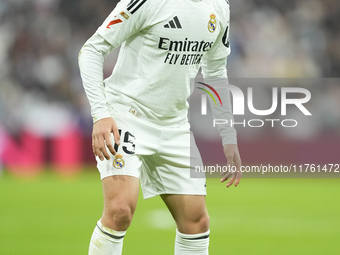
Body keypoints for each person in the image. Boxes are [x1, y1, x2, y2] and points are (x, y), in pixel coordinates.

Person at [78, 0, 242, 254]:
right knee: (120, 210)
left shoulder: (219, 7)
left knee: (196, 222)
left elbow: (216, 72)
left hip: (174, 125)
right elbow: (91, 50)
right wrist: (101, 114)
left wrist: (228, 134)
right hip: (126, 114)